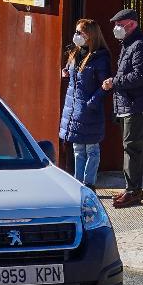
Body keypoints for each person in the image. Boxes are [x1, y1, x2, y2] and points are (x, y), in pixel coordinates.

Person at [100, 8, 143, 208]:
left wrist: (114, 82)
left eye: (119, 25)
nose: (116, 28)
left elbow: (140, 76)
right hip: (129, 104)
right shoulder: (128, 44)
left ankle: (133, 191)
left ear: (131, 24)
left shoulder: (140, 45)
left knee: (132, 147)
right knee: (129, 147)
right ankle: (131, 188)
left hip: (137, 105)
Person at [59, 19, 112, 189]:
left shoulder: (100, 58)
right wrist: (66, 71)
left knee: (92, 150)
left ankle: (89, 183)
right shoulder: (75, 53)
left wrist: (91, 103)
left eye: (80, 32)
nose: (77, 36)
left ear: (90, 35)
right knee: (77, 149)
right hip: (74, 109)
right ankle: (78, 182)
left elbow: (105, 85)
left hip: (89, 110)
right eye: (76, 32)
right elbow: (72, 73)